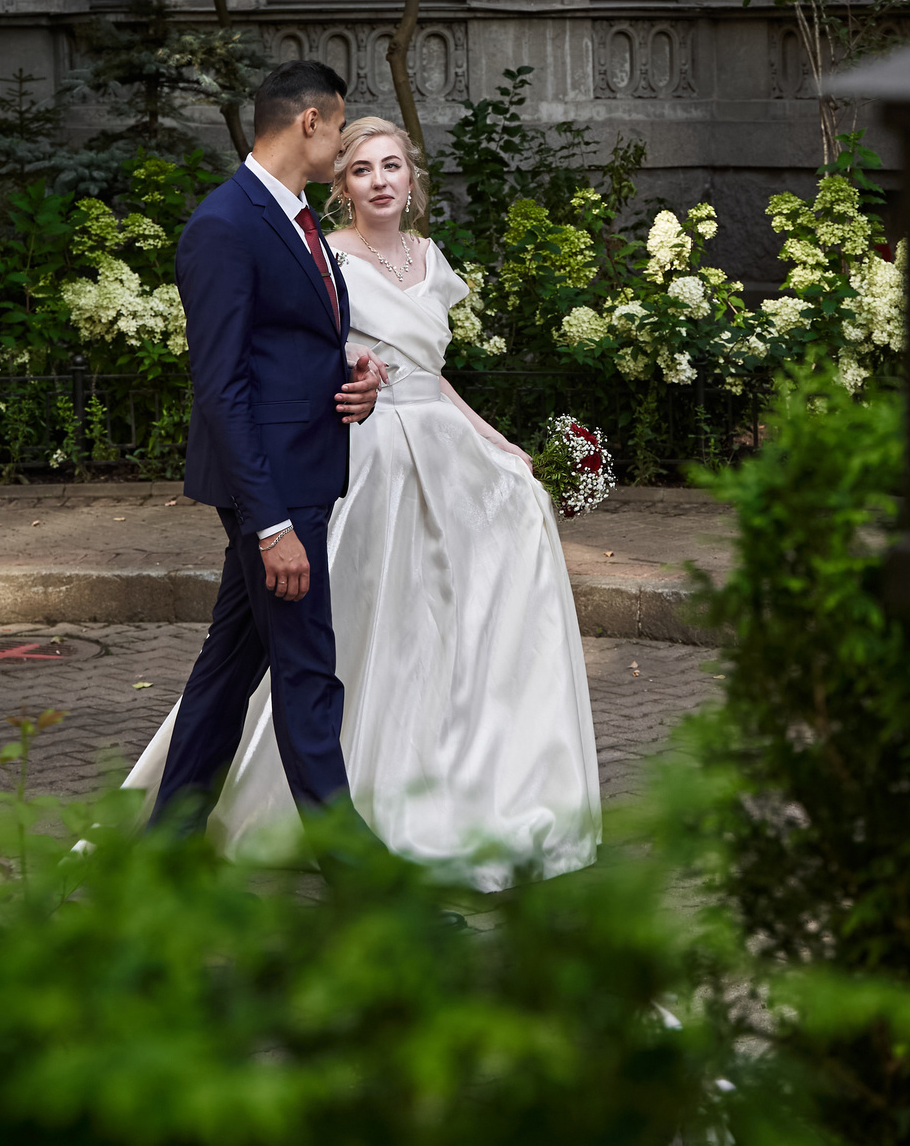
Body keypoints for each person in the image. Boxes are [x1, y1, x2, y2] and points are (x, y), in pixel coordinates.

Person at [129, 114, 603, 888]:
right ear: (341, 176)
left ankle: (461, 772)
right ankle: (325, 844)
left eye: (392, 165)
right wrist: (353, 377)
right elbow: (289, 354)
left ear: (413, 177)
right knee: (337, 637)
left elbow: (433, 372)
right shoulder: (319, 251)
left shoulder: (428, 257)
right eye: (360, 166)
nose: (378, 178)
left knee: (441, 603)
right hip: (358, 451)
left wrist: (498, 442)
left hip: (436, 443)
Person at [136, 60, 383, 846]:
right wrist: (271, 520)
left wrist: (353, 374)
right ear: (308, 122)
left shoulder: (296, 216)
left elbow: (292, 344)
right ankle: (365, 884)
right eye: (340, 126)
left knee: (227, 671)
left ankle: (162, 851)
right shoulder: (224, 224)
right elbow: (221, 386)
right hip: (272, 491)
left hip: (302, 470)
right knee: (308, 677)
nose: (343, 143)